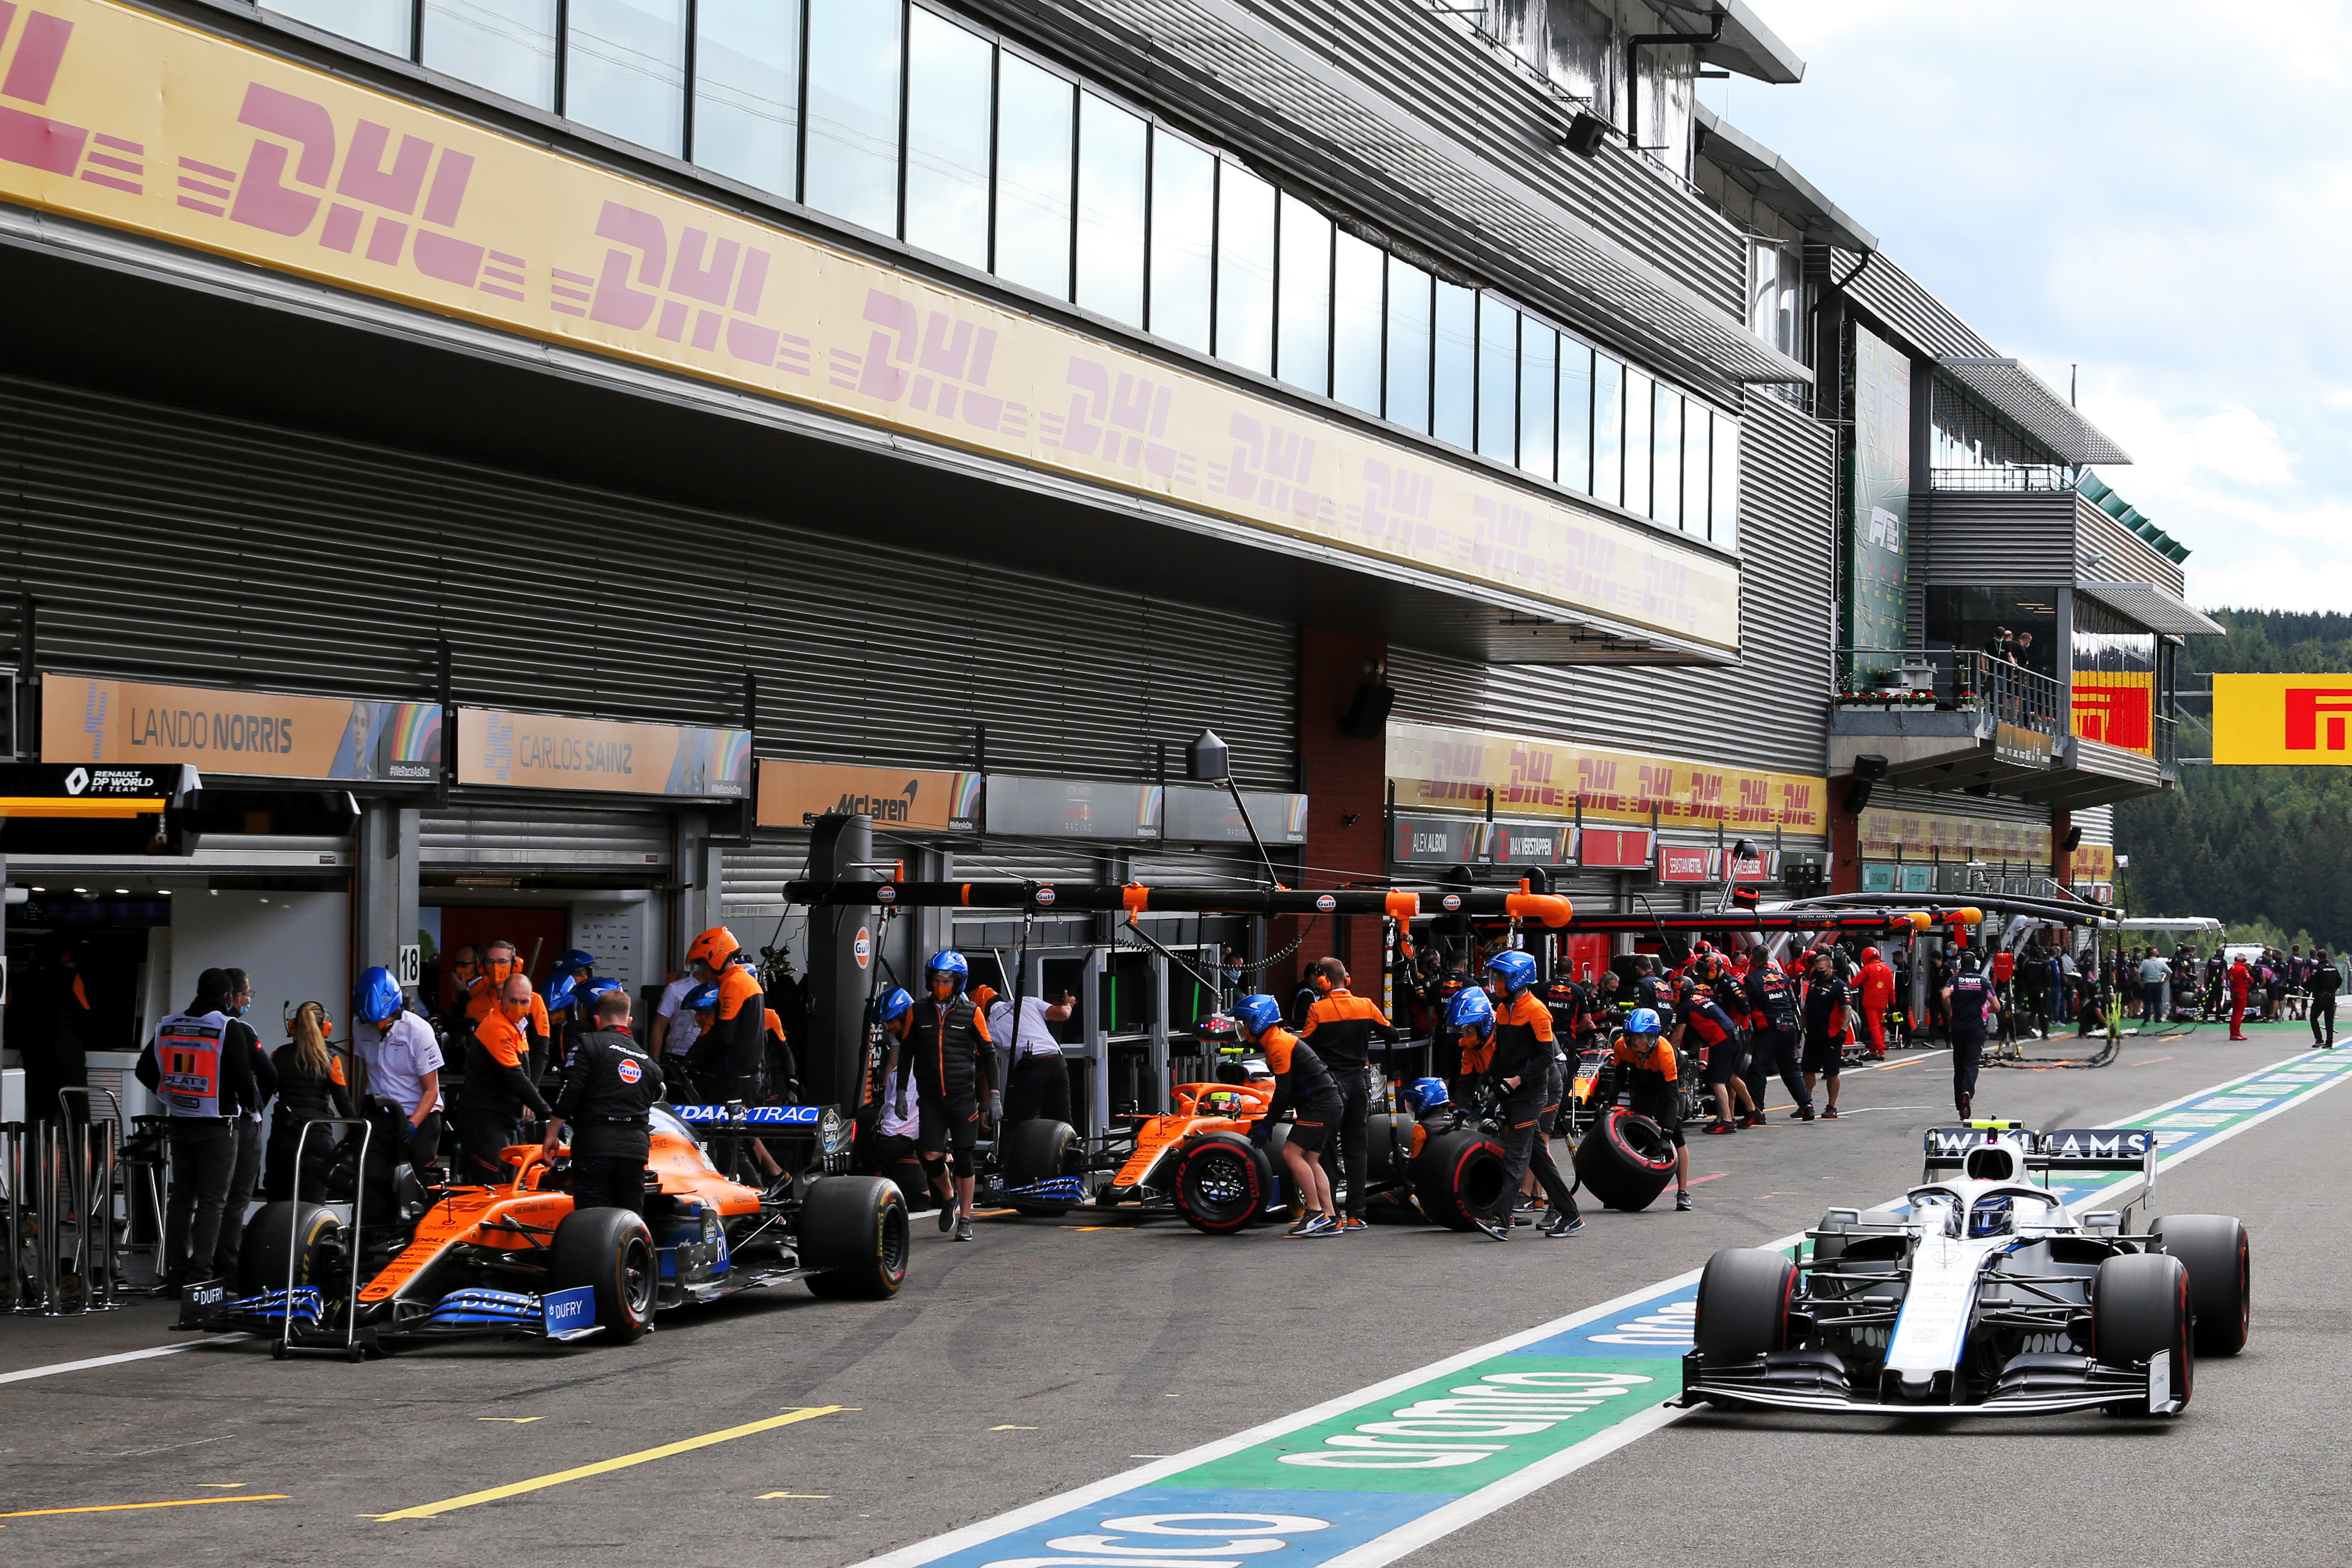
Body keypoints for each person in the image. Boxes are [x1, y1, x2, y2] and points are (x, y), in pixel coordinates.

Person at [133, 968, 257, 1291]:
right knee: (213, 1203)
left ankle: (176, 1273)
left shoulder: (170, 1024)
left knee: (181, 1199)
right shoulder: (226, 1026)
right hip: (219, 1123)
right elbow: (244, 1079)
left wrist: (169, 1093)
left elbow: (144, 1069)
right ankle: (200, 1277)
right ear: (228, 997)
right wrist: (250, 1108)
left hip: (180, 1120)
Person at [1455, 980, 1581, 1241]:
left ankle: (1501, 1220)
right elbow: (1500, 1056)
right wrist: (1475, 1100)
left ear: (1517, 979)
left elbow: (1547, 1057)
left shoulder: (1537, 1010)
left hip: (1535, 1091)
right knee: (1537, 1156)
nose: (1496, 983)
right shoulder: (1503, 1010)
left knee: (1517, 1153)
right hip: (1512, 1091)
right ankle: (1571, 1215)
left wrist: (1515, 1081)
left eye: (1500, 977)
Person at [898, 951, 995, 1242]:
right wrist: (902, 1092)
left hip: (962, 1097)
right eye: (937, 980)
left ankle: (965, 1219)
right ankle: (949, 1195)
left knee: (964, 1157)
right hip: (930, 1097)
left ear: (958, 983)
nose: (941, 985)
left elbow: (989, 1055)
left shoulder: (971, 1013)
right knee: (930, 1154)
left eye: (947, 981)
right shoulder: (919, 1010)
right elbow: (906, 1053)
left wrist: (995, 1096)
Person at [1298, 956, 1399, 1232]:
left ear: (1324, 982)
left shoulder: (1318, 1010)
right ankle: (1357, 1214)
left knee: (1327, 1150)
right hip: (1359, 1083)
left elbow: (1303, 1045)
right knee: (1357, 1148)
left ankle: (1332, 1214)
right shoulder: (1366, 1005)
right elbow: (1393, 1035)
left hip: (1330, 1086)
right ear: (1348, 979)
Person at [543, 988, 664, 1214]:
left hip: (595, 1147)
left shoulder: (587, 1044)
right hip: (634, 1153)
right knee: (628, 1222)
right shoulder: (651, 1066)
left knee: (592, 1222)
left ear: (596, 1019)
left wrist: (552, 1134)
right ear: (629, 1021)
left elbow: (571, 1089)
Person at [1232, 994, 1343, 1237]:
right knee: (1311, 1160)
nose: (1244, 1029)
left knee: (1291, 1153)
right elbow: (1290, 1090)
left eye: (1245, 1022)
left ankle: (1314, 1213)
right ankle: (1331, 1217)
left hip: (1321, 1106)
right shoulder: (1276, 1040)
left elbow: (1282, 1091)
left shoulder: (1279, 1043)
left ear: (1259, 1020)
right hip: (1326, 1104)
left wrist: (1268, 1125)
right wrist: (1269, 1121)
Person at [212, 968, 278, 1283]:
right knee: (236, 1198)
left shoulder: (196, 1027)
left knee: (205, 1198)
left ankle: (197, 1266)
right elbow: (269, 1074)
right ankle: (227, 1267)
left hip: (204, 1119)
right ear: (235, 997)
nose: (249, 999)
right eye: (247, 993)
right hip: (240, 1122)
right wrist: (256, 1106)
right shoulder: (239, 1028)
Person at [462, 972, 552, 1185]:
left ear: (532, 1001)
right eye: (513, 1001)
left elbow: (526, 1071)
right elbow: (516, 1078)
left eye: (524, 1002)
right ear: (502, 996)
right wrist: (550, 1115)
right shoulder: (497, 1026)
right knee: (491, 1190)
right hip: (485, 1124)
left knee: (512, 1186)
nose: (518, 1007)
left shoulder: (519, 1026)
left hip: (506, 1124)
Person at [353, 965, 445, 1170]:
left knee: (419, 1184)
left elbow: (431, 1090)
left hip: (417, 1116)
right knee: (372, 1181)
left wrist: (414, 1124)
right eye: (371, 1023)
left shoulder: (419, 1032)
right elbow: (367, 1069)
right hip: (379, 1117)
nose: (375, 1028)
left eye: (381, 1023)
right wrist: (362, 1108)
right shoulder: (360, 1025)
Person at [265, 1000, 352, 1201]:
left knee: (277, 1208)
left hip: (282, 1140)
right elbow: (344, 1105)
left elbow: (260, 1099)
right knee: (312, 1212)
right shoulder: (330, 1060)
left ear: (293, 1026)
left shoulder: (277, 1056)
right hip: (317, 1140)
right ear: (324, 1028)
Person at [1612, 1006, 1692, 1210]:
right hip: (1643, 1078)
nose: (1637, 1043)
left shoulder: (1665, 1052)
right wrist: (1609, 1099)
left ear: (1654, 1037)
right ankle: (1631, 1187)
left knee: (1676, 1132)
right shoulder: (1622, 1046)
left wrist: (1666, 1136)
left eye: (1643, 1038)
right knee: (1637, 1129)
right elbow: (1620, 1075)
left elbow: (1673, 1098)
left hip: (1670, 1080)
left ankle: (1683, 1192)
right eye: (1632, 1037)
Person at [681, 926, 767, 1107]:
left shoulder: (734, 984)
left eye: (703, 964)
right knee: (746, 1133)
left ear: (716, 957)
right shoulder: (742, 981)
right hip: (745, 1076)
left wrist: (699, 1061)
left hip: (736, 1080)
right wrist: (694, 1054)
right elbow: (715, 1024)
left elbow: (724, 1035)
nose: (703, 970)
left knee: (732, 1133)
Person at [977, 983, 1075, 1127]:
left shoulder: (988, 1027)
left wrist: (984, 1109)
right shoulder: (1028, 1001)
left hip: (1031, 1067)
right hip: (1057, 1062)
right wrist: (1069, 1004)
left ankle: (1011, 1149)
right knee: (1061, 1121)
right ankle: (1070, 1148)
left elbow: (987, 1068)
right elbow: (1063, 1014)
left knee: (1016, 1124)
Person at [19, 940, 91, 1125]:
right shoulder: (72, 977)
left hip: (36, 1061)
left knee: (40, 1120)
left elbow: (7, 1016)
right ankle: (82, 1155)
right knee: (78, 1120)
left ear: (34, 956)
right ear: (64, 956)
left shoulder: (21, 979)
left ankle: (38, 1154)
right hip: (69, 1062)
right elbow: (86, 1013)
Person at [1740, 955, 1811, 1125]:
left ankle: (1757, 1110)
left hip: (1769, 1028)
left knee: (1757, 1069)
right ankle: (1807, 1105)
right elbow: (1793, 1004)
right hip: (1789, 1027)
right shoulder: (1784, 978)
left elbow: (1745, 1005)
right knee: (1791, 1068)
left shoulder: (1752, 979)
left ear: (1755, 960)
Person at [1675, 980, 1753, 1135]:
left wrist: (1669, 1051)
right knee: (1728, 1077)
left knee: (1717, 1081)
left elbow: (1677, 1036)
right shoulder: (1700, 999)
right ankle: (1731, 1116)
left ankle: (1727, 1121)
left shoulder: (1685, 1007)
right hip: (1733, 1037)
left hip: (1722, 1040)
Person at [1943, 951, 1994, 1119]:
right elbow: (1997, 1006)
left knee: (1959, 1066)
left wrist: (1950, 1011)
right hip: (1976, 1028)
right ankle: (1968, 1092)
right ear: (1976, 965)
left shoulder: (1955, 980)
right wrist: (1984, 1010)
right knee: (1972, 1063)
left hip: (1958, 1027)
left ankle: (1960, 1104)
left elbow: (1945, 995)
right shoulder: (1984, 982)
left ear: (1959, 965)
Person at [1800, 953, 1849, 1121]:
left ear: (1830, 968)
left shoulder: (1839, 986)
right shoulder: (1814, 984)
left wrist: (1843, 1031)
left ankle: (1832, 1106)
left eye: (1821, 969)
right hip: (1813, 1034)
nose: (1818, 972)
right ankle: (1806, 1104)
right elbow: (1807, 1006)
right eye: (1816, 969)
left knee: (1831, 1072)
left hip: (1831, 1035)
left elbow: (1847, 1010)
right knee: (1807, 1069)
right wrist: (1802, 1024)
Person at [651, 965, 705, 1066]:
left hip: (712, 1057)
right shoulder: (675, 989)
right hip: (678, 1055)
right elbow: (659, 1027)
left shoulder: (725, 987)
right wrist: (655, 1063)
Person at [1855, 945, 1895, 1060]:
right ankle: (1877, 1049)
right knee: (1881, 1026)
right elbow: (1891, 989)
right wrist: (1893, 1004)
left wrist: (1847, 982)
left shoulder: (1867, 969)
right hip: (1883, 1002)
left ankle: (1879, 1046)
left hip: (1870, 1002)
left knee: (1874, 1025)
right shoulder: (1887, 969)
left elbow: (1855, 982)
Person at [2310, 950, 2339, 1049]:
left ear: (2318, 958)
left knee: (2314, 1018)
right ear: (2327, 956)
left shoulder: (2318, 968)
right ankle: (2329, 1042)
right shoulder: (2333, 968)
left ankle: (2319, 1040)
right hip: (2331, 996)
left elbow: (2312, 980)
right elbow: (2340, 980)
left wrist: (2304, 987)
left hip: (2320, 996)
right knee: (2329, 1020)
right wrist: (2334, 989)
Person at [2136, 948, 2171, 1028]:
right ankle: (2158, 1019)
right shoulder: (2161, 963)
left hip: (2148, 984)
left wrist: (2140, 982)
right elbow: (2169, 972)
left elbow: (2138, 972)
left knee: (2148, 1003)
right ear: (2157, 954)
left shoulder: (2145, 963)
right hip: (2158, 984)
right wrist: (2165, 981)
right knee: (2158, 1002)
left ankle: (2146, 1020)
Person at [2227, 953, 2253, 1040]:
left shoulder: (2232, 969)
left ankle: (2233, 1033)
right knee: (2239, 1014)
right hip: (2241, 993)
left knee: (2235, 1013)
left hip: (2234, 992)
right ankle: (2236, 1033)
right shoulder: (2242, 969)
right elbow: (2251, 981)